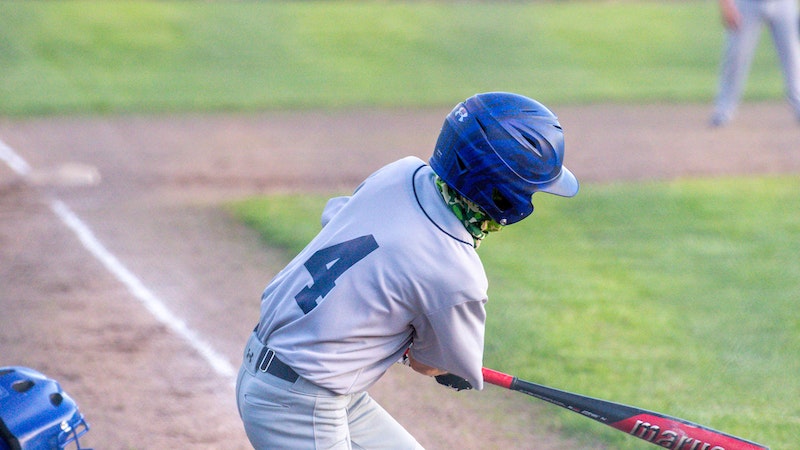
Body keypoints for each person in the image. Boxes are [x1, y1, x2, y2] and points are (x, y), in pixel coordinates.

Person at [235, 92, 579, 449]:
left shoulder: (399, 173)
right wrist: (448, 367)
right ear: (504, 195)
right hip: (297, 405)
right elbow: (427, 364)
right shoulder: (457, 271)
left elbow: (338, 222)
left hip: (307, 384)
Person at [710, 0, 800, 126]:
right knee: (736, 57)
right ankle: (724, 110)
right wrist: (727, 5)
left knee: (793, 57)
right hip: (746, 4)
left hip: (784, 4)